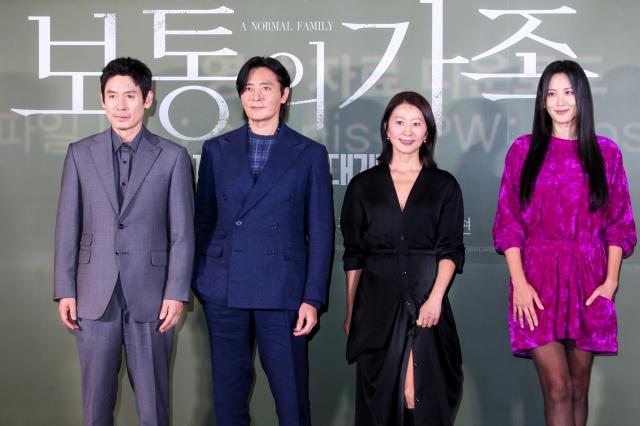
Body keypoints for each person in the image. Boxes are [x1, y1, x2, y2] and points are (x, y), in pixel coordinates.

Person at [493, 60, 636, 426]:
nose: (560, 101)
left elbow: (619, 224)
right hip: (537, 282)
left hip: (589, 281)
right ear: (542, 101)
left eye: (568, 92)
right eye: (551, 93)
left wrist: (610, 283)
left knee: (576, 387)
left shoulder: (606, 153)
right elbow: (508, 223)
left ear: (582, 98)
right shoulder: (523, 151)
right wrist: (520, 284)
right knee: (556, 388)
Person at [192, 56, 334, 426]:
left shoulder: (309, 154)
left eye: (266, 88)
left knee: (291, 401)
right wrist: (202, 281)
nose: (256, 96)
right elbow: (203, 219)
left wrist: (312, 297)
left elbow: (320, 232)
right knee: (228, 397)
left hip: (285, 292)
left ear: (284, 95)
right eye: (248, 88)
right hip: (224, 289)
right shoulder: (216, 150)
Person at [54, 57, 195, 425]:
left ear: (147, 99)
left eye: (129, 95)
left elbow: (182, 232)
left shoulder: (173, 157)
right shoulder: (79, 153)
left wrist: (176, 292)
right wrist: (65, 289)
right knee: (95, 407)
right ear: (102, 100)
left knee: (153, 408)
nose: (120, 105)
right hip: (93, 294)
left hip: (153, 299)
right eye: (112, 96)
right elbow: (67, 224)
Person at [341, 91, 464, 426]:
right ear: (386, 129)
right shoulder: (363, 186)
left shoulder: (444, 185)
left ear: (427, 132)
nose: (407, 131)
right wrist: (353, 312)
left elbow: (451, 249)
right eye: (399, 122)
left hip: (427, 302)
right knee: (381, 401)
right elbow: (354, 255)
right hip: (377, 304)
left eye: (416, 123)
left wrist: (436, 299)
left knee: (420, 397)